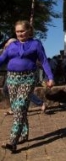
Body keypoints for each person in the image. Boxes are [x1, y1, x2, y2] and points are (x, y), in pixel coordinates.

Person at [0, 20, 54, 153]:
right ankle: (24, 133)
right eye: (17, 31)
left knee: (19, 108)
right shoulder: (12, 46)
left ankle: (13, 141)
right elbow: (2, 59)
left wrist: (50, 77)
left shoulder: (36, 44)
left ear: (29, 31)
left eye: (22, 31)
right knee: (17, 107)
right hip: (11, 79)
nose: (19, 34)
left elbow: (44, 61)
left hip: (28, 78)